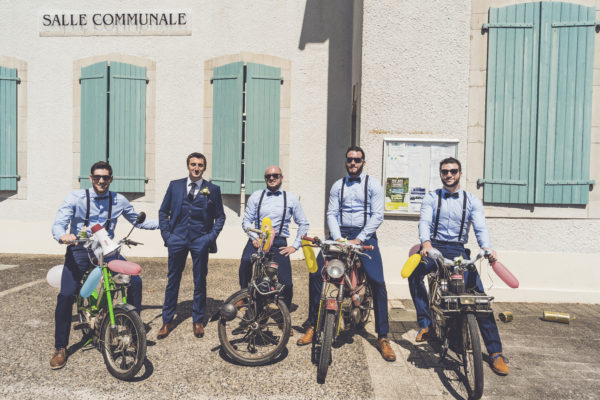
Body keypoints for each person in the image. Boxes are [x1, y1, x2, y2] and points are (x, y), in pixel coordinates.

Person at [50, 161, 159, 369]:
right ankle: (60, 347)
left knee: (135, 281)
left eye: (106, 177)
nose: (101, 180)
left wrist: (167, 223)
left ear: (111, 179)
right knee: (66, 295)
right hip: (80, 249)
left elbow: (138, 221)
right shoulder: (76, 198)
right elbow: (59, 222)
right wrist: (62, 235)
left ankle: (132, 329)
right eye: (97, 177)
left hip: (107, 249)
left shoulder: (119, 200)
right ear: (91, 178)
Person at [409, 157, 509, 375]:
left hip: (457, 249)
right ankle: (426, 323)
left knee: (479, 296)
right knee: (414, 274)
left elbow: (480, 226)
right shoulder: (431, 198)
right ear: (441, 174)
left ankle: (495, 353)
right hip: (434, 247)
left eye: (453, 171)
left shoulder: (471, 200)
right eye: (445, 171)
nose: (449, 175)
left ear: (460, 173)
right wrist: (426, 243)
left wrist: (486, 248)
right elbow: (424, 221)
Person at [297, 146, 396, 362]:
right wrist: (339, 238)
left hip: (365, 236)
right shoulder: (337, 186)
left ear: (363, 162)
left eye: (357, 160)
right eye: (350, 160)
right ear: (346, 161)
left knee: (377, 282)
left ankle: (383, 336)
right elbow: (331, 213)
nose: (353, 163)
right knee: (317, 275)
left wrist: (359, 239)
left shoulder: (373, 185)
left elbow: (378, 216)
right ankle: (314, 325)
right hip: (341, 234)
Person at [158, 152, 226, 339]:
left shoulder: (212, 189)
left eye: (200, 165)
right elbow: (163, 212)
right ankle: (167, 320)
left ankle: (197, 319)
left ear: (204, 168)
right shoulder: (175, 186)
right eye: (193, 164)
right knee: (173, 279)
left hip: (200, 240)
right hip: (177, 239)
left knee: (200, 280)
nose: (196, 168)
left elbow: (220, 216)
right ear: (188, 166)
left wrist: (210, 237)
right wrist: (167, 236)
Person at [240, 166, 309, 332]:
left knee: (286, 282)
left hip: (279, 242)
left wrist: (295, 246)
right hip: (258, 238)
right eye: (268, 176)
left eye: (275, 175)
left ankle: (282, 316)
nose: (272, 178)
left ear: (281, 177)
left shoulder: (291, 199)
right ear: (265, 178)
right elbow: (246, 221)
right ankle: (245, 299)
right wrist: (254, 238)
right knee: (245, 262)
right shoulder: (256, 196)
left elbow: (303, 223)